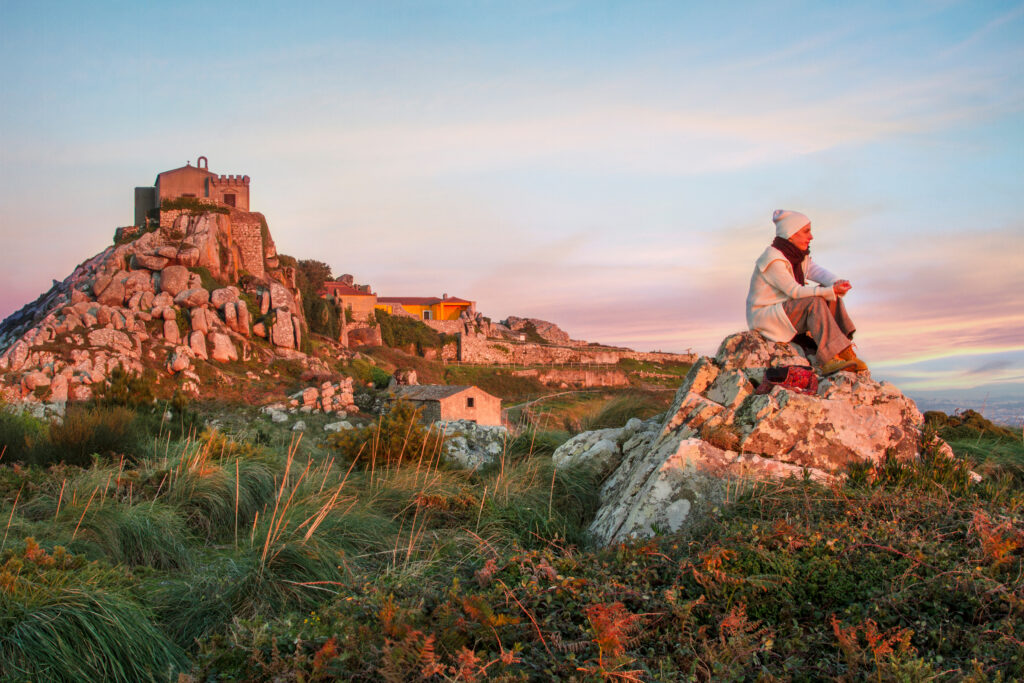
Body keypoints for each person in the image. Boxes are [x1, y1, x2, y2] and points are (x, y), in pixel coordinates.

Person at [745, 209, 867, 375]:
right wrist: (828, 290)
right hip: (766, 316)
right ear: (791, 233)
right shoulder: (773, 259)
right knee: (816, 300)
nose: (811, 237)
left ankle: (844, 349)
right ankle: (829, 358)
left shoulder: (798, 256)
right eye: (806, 231)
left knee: (831, 297)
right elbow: (794, 291)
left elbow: (817, 272)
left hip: (786, 309)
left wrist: (835, 283)